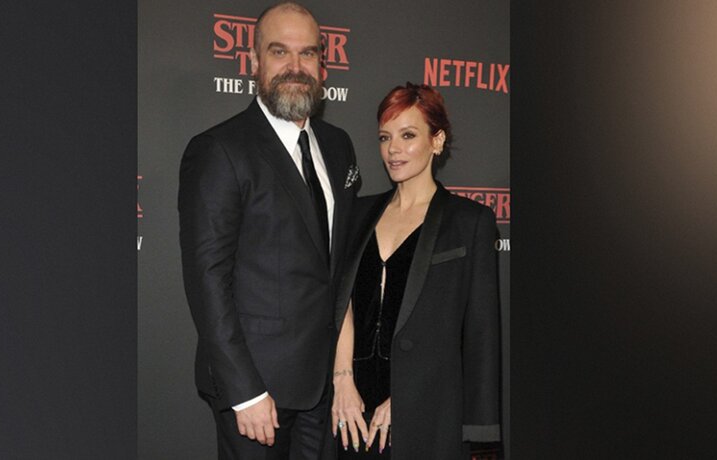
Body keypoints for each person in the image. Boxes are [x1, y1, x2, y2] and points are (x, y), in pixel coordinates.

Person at [178, 2, 359, 459]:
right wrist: (244, 391)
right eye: (280, 52)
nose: (295, 67)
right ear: (254, 62)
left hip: (321, 388)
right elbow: (207, 279)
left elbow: (336, 269)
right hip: (258, 391)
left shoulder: (338, 146)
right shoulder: (220, 149)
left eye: (308, 53)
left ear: (322, 65)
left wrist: (342, 374)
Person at [330, 83, 501, 459]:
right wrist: (341, 381)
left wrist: (408, 400)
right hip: (352, 407)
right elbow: (342, 302)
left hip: (427, 407)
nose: (393, 149)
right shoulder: (357, 214)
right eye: (385, 137)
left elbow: (479, 334)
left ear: (436, 141)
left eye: (408, 135)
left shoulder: (469, 222)